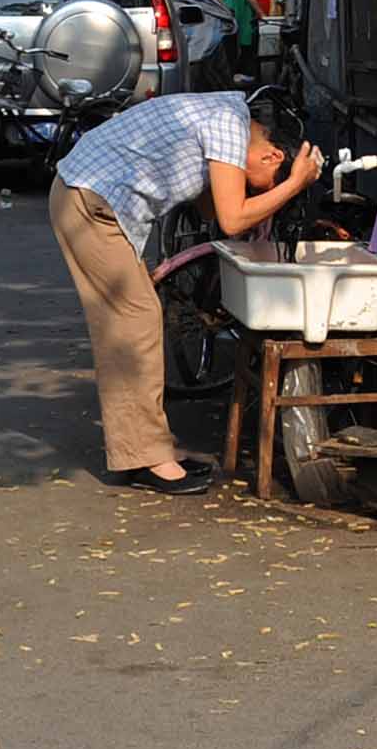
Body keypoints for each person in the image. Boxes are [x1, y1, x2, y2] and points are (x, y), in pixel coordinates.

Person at [49, 85, 317, 492]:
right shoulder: (230, 125)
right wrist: (293, 185)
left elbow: (211, 207)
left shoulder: (226, 115)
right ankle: (144, 458)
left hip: (89, 197)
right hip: (89, 202)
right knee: (133, 325)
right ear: (272, 156)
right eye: (262, 184)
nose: (257, 190)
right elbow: (230, 219)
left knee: (133, 322)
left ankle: (147, 449)